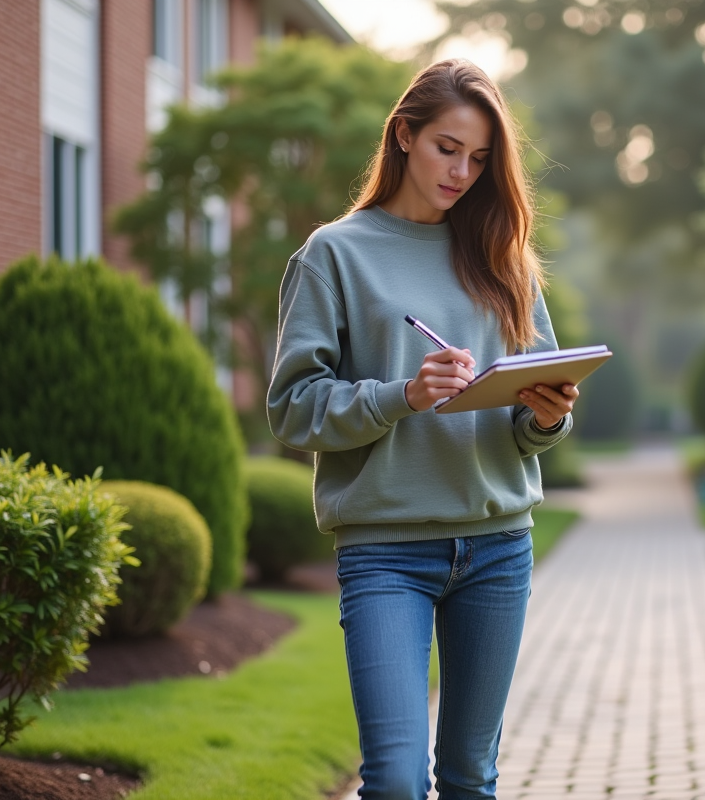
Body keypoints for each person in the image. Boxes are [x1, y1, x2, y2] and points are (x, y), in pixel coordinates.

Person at [266, 59, 577, 800]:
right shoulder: (333, 255)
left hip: (498, 547)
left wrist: (546, 418)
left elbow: (537, 413)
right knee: (398, 781)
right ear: (404, 135)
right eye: (447, 148)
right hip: (385, 554)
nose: (462, 172)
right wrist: (401, 395)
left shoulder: (504, 259)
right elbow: (292, 409)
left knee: (471, 777)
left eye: (478, 159)